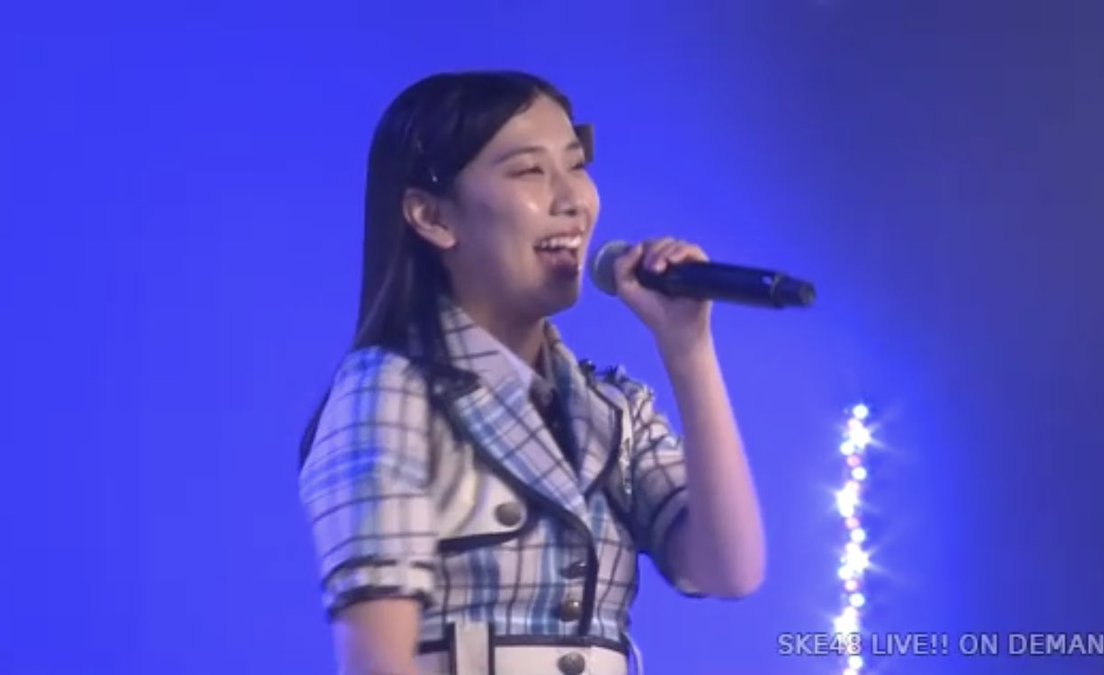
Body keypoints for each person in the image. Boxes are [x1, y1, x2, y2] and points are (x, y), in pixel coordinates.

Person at [297, 70, 766, 675]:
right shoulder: (391, 390)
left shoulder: (612, 407)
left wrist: (688, 348)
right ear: (431, 216)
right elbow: (377, 664)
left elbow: (729, 569)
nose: (572, 200)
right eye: (529, 172)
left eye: (576, 165)